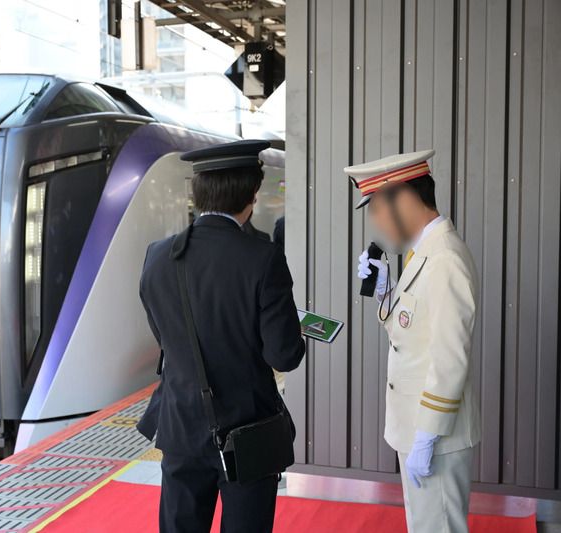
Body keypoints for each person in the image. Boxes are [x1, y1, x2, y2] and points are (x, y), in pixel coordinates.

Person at [137, 139, 306, 533]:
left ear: (197, 192)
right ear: (251, 194)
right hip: (248, 433)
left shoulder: (158, 256)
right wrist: (291, 328)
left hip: (179, 424)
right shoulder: (262, 258)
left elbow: (164, 334)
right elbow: (284, 356)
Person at [347, 150, 480, 533]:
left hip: (434, 430)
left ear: (404, 198)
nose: (376, 222)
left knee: (437, 527)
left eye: (377, 208)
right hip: (422, 426)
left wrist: (426, 435)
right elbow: (413, 332)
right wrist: (387, 289)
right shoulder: (424, 253)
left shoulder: (444, 259)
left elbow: (450, 358)